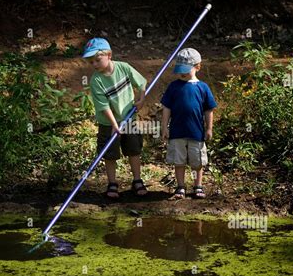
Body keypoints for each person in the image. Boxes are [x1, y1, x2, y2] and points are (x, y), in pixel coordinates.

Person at [82, 38, 148, 199]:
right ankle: (112, 183)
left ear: (109, 55)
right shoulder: (96, 81)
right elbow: (103, 106)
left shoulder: (124, 68)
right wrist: (114, 124)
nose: (95, 65)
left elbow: (141, 83)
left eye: (97, 60)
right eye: (91, 62)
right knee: (110, 154)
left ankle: (137, 180)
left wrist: (141, 98)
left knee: (134, 150)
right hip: (108, 123)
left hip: (129, 119)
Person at [161, 48, 217, 199]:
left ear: (197, 67)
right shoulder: (173, 87)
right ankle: (180, 187)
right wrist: (164, 127)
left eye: (186, 70)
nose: (182, 73)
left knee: (197, 161)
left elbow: (208, 110)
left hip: (196, 132)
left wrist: (209, 128)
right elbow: (166, 108)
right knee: (178, 161)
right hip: (177, 132)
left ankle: (198, 185)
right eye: (180, 70)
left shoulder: (202, 87)